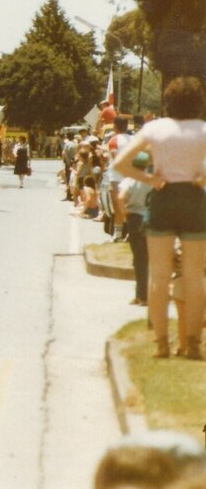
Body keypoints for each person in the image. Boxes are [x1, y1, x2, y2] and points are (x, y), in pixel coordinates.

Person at [112, 76, 206, 360]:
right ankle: (192, 343)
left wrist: (150, 179)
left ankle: (162, 344)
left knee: (158, 274)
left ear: (168, 102)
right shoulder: (203, 130)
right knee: (194, 275)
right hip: (193, 198)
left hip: (163, 198)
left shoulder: (155, 128)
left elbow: (120, 163)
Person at [119, 151, 153, 307]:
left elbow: (120, 198)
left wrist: (125, 213)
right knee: (148, 257)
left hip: (135, 217)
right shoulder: (150, 180)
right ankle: (146, 293)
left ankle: (142, 295)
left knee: (139, 258)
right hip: (150, 218)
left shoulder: (130, 180)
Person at [106, 115, 132, 241]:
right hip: (132, 176)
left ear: (115, 126)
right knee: (130, 205)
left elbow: (116, 157)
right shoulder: (134, 139)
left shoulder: (113, 140)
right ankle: (129, 232)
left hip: (116, 177)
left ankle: (118, 233)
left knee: (117, 206)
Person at [61, 132, 78, 201]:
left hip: (69, 164)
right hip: (75, 163)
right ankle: (73, 195)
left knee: (68, 180)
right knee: (74, 179)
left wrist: (67, 164)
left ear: (67, 137)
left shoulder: (66, 145)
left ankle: (68, 195)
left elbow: (64, 154)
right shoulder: (75, 144)